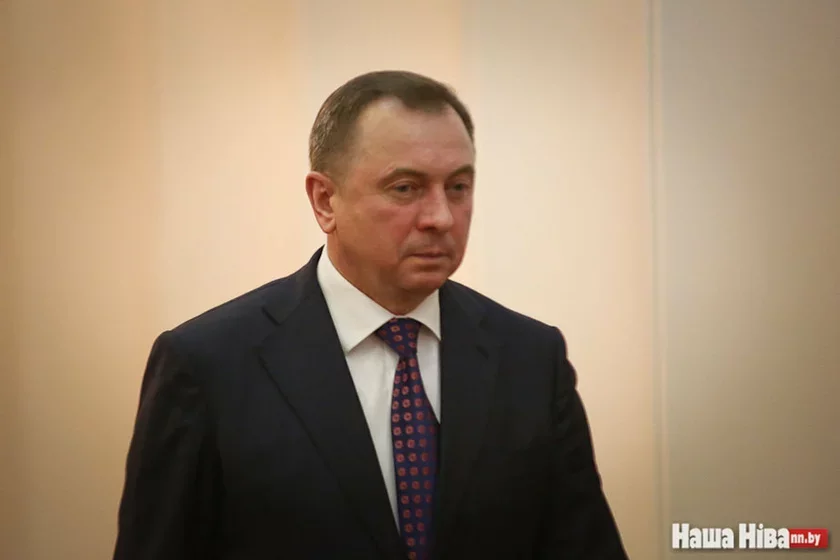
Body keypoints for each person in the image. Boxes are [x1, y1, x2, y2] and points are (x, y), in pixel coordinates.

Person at [114, 70, 628, 560]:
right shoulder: (208, 365)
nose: (440, 217)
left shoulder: (531, 359)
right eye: (406, 188)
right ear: (325, 201)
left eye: (458, 187)